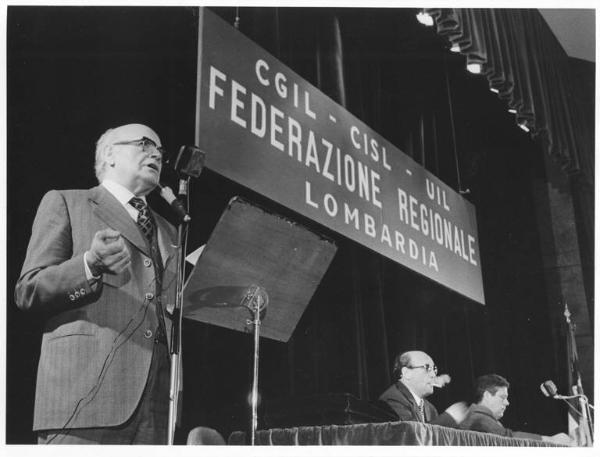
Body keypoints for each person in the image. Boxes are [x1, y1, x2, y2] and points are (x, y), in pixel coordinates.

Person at [15, 123, 178, 444]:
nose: (156, 153)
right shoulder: (67, 202)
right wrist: (89, 264)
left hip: (158, 405)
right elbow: (28, 290)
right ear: (109, 154)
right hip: (84, 399)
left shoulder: (170, 231)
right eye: (145, 144)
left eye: (160, 150)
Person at [460, 374, 573, 445]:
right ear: (488, 396)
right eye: (502, 397)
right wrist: (551, 440)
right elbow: (508, 439)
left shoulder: (478, 416)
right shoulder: (479, 419)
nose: (507, 403)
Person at [379, 350, 467, 427]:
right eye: (427, 368)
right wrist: (448, 418)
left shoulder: (430, 408)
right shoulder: (393, 399)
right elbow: (411, 436)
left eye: (434, 369)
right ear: (407, 373)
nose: (433, 375)